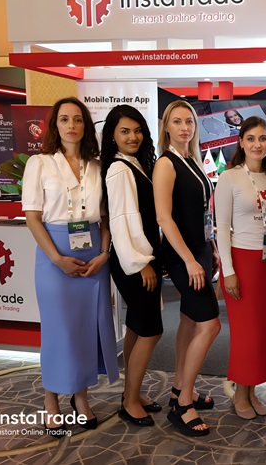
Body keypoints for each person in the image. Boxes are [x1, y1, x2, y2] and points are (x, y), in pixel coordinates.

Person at [22, 96, 119, 435]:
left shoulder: (97, 165)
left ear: (85, 125)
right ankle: (51, 400)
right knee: (58, 330)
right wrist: (56, 258)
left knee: (86, 329)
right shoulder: (39, 163)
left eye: (77, 119)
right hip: (55, 255)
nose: (71, 125)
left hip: (93, 254)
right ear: (55, 125)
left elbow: (104, 217)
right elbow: (33, 218)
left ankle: (81, 396)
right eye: (64, 119)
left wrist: (104, 253)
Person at [153, 100, 221, 437]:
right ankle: (182, 406)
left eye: (189, 122)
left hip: (200, 250)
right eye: (177, 121)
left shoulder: (191, 159)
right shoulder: (166, 164)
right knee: (211, 325)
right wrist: (190, 260)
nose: (184, 127)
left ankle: (180, 388)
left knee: (190, 320)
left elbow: (202, 212)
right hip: (183, 256)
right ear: (166, 126)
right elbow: (164, 218)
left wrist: (212, 248)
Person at [214, 116, 266, 420]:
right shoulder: (229, 178)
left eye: (263, 139)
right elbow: (222, 228)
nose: (258, 144)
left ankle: (252, 391)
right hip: (241, 262)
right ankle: (240, 394)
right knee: (247, 334)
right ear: (241, 142)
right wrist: (228, 271)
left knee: (264, 333)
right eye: (251, 138)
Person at [101, 104, 162, 427]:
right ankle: (129, 401)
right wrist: (141, 263)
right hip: (134, 261)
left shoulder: (134, 163)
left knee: (137, 327)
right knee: (151, 330)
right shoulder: (119, 169)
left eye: (137, 130)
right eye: (125, 131)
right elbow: (122, 221)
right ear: (112, 135)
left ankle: (132, 392)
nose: (133, 137)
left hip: (139, 258)